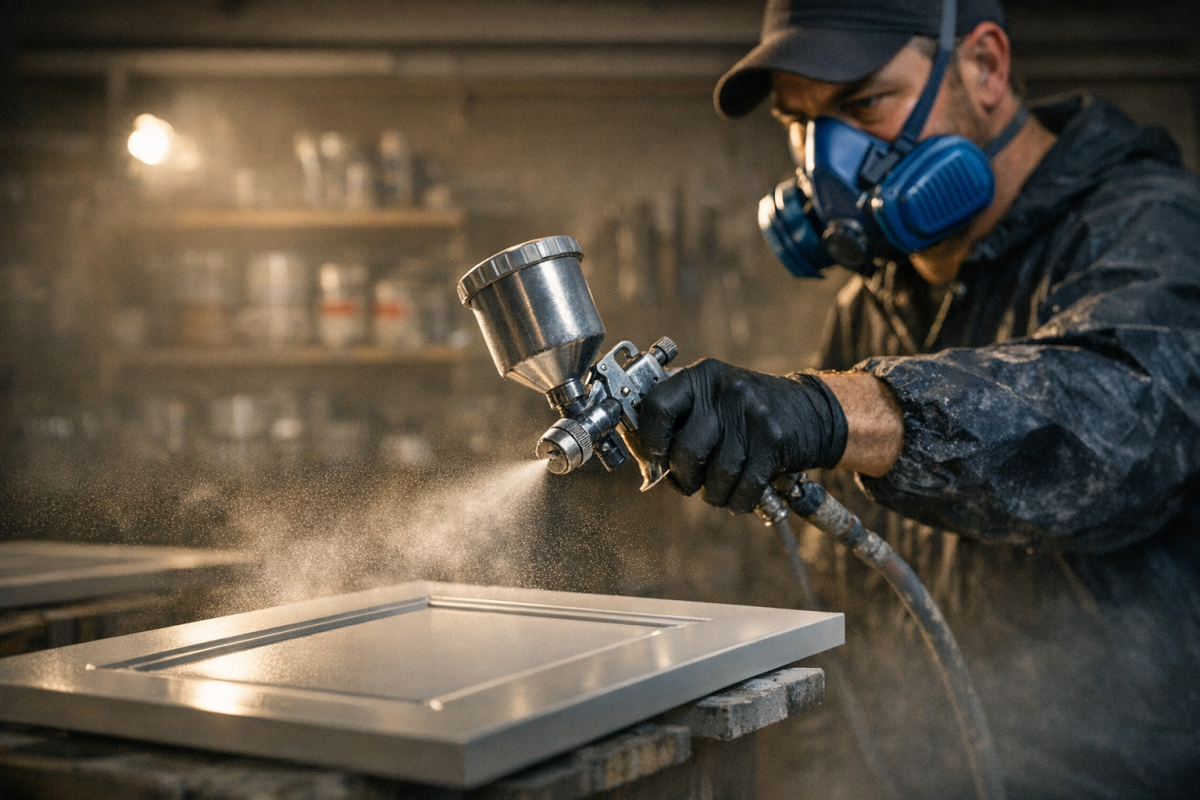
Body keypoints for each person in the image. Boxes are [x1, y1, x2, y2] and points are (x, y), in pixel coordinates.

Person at [638, 0, 1200, 797]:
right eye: (799, 122)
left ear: (985, 66)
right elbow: (848, 585)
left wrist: (837, 412)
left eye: (864, 103)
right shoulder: (869, 308)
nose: (825, 161)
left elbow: (1117, 425)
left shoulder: (1155, 226)